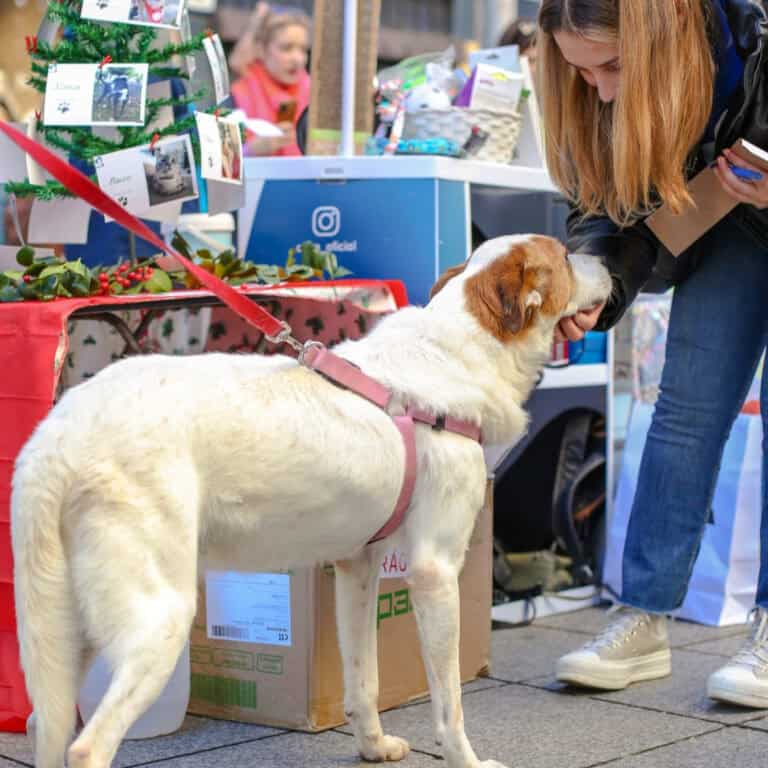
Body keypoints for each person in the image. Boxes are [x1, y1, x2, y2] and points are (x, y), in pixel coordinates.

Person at [536, 0, 768, 708]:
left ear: (661, 41)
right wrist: (589, 287)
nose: (599, 89)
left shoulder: (750, 38)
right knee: (686, 412)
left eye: (611, 66)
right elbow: (611, 214)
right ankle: (642, 616)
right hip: (731, 221)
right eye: (580, 72)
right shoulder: (603, 96)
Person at [229, 3, 311, 157]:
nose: (298, 59)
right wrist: (249, 151)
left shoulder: (317, 96)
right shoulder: (238, 96)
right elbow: (218, 166)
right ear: (261, 49)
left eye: (303, 50)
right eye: (286, 48)